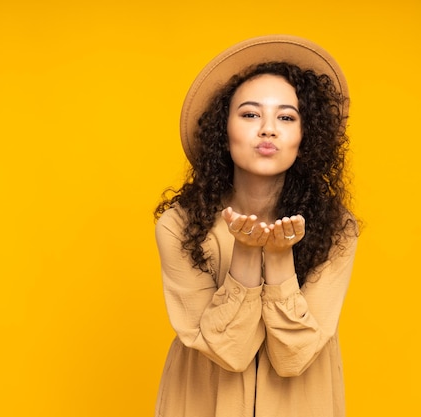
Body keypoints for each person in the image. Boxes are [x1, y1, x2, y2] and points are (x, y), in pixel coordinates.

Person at [153, 35, 359, 417]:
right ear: (222, 129)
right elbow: (227, 352)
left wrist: (280, 260)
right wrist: (246, 255)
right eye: (250, 114)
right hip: (201, 402)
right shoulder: (178, 225)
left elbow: (293, 358)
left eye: (286, 117)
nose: (268, 129)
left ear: (305, 135)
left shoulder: (337, 227)